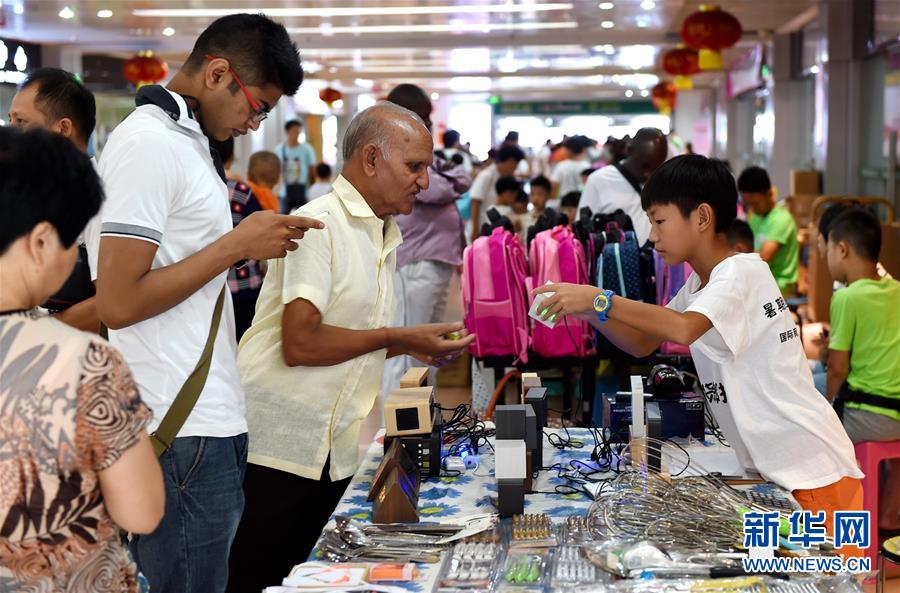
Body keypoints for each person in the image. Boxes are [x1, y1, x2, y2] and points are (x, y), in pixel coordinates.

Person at [85, 14, 324, 593]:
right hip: (174, 423)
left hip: (202, 421)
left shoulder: (186, 141)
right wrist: (236, 246)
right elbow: (116, 301)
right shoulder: (148, 144)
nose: (254, 123)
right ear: (218, 73)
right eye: (257, 105)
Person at [532, 155, 864, 552]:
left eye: (659, 221)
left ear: (702, 217)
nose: (652, 237)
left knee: (825, 579)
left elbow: (684, 327)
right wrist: (588, 311)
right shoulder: (701, 283)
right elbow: (643, 342)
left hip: (813, 474)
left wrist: (602, 299)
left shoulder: (741, 273)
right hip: (779, 472)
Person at [229, 102, 474, 593]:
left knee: (317, 575)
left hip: (332, 444)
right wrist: (398, 337)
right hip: (279, 444)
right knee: (261, 575)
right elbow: (300, 342)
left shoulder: (381, 230)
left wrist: (408, 345)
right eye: (414, 167)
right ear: (369, 159)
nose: (424, 182)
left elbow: (343, 338)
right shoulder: (319, 224)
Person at [0, 127, 165, 592]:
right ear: (40, 242)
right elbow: (142, 510)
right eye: (74, 242)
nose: (76, 256)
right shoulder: (86, 361)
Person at [380, 83, 472, 394]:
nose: (429, 124)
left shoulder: (414, 148)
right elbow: (440, 188)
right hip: (414, 262)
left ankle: (418, 429)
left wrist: (451, 179)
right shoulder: (394, 150)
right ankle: (396, 433)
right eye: (424, 116)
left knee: (426, 351)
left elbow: (461, 177)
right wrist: (449, 181)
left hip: (431, 260)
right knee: (407, 352)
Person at [824, 207, 900, 533]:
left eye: (826, 248)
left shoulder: (848, 298)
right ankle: (887, 514)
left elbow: (837, 368)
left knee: (803, 414)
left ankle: (833, 520)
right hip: (897, 413)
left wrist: (826, 407)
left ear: (842, 249)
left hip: (866, 417)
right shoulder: (897, 289)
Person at [8, 67, 99, 333]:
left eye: (21, 122)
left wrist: (34, 331)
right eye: (10, 120)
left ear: (63, 128)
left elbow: (113, 303)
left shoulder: (101, 204)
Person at [578, 127, 668, 246]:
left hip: (656, 261)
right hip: (613, 261)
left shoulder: (664, 183)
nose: (649, 174)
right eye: (644, 166)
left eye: (655, 167)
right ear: (629, 150)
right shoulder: (599, 180)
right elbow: (581, 232)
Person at [215, 137, 266, 342]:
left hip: (208, 284)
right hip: (246, 284)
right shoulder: (241, 190)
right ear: (232, 156)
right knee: (246, 343)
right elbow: (261, 232)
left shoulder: (193, 186)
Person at [738, 166, 799, 296]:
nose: (752, 208)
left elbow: (761, 259)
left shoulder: (782, 219)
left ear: (769, 193)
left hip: (779, 286)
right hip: (760, 281)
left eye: (755, 203)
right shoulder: (755, 217)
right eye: (748, 204)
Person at [469, 143, 526, 241]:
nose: (514, 170)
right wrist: (475, 229)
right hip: (482, 226)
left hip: (495, 229)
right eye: (515, 166)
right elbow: (475, 201)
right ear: (510, 161)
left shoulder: (503, 177)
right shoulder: (487, 175)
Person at [276, 119, 317, 213]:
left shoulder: (307, 149)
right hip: (284, 191)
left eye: (298, 132)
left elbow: (312, 170)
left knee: (304, 217)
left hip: (303, 190)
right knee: (283, 218)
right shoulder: (280, 149)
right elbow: (277, 170)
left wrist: (311, 189)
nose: (297, 134)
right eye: (294, 131)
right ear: (287, 131)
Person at [550, 135, 593, 205]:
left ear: (569, 150)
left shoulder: (561, 166)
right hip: (582, 202)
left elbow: (554, 187)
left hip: (565, 204)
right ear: (582, 150)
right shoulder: (587, 166)